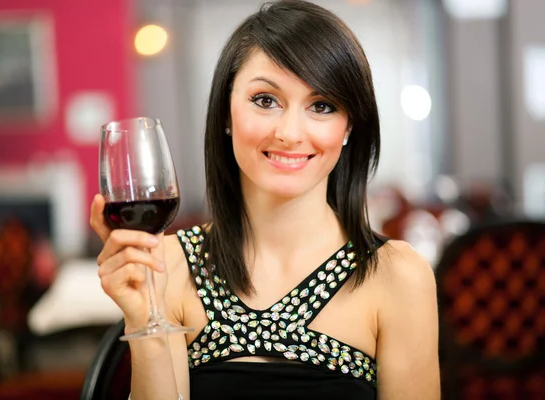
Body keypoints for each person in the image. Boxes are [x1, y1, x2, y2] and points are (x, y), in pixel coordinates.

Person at [90, 1, 440, 399]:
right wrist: (142, 318)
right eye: (265, 100)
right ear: (225, 112)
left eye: (321, 106)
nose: (290, 132)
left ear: (348, 128)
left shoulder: (398, 275)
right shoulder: (167, 264)